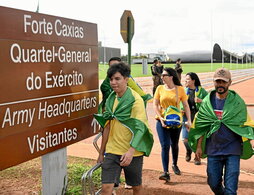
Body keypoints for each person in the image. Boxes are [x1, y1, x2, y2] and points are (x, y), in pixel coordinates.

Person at [189, 68, 254, 195]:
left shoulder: (237, 102)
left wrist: (250, 139)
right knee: (213, 183)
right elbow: (201, 125)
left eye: (223, 82)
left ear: (229, 82)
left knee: (231, 189)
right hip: (213, 149)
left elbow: (245, 123)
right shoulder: (207, 103)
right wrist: (198, 146)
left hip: (232, 149)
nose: (220, 84)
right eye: (218, 81)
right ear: (214, 82)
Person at [94, 62, 154, 195]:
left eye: (117, 79)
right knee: (106, 188)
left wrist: (131, 151)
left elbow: (140, 128)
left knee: (136, 187)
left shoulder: (135, 100)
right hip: (112, 150)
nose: (113, 82)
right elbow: (107, 127)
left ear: (126, 79)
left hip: (132, 152)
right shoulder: (110, 99)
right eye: (111, 79)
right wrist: (101, 153)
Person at [153, 67, 191, 181]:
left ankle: (174, 164)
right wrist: (160, 118)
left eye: (164, 75)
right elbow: (155, 105)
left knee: (174, 144)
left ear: (171, 77)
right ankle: (165, 172)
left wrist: (189, 120)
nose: (162, 77)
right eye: (162, 75)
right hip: (162, 121)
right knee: (165, 146)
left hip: (175, 121)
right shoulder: (159, 88)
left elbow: (186, 105)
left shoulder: (180, 89)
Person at [182, 72, 208, 165]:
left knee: (198, 138)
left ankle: (197, 157)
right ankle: (188, 150)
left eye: (188, 79)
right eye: (185, 79)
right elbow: (180, 103)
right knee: (185, 139)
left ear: (193, 80)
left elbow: (209, 103)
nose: (186, 81)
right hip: (187, 117)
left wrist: (201, 101)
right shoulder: (184, 91)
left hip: (198, 117)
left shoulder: (202, 91)